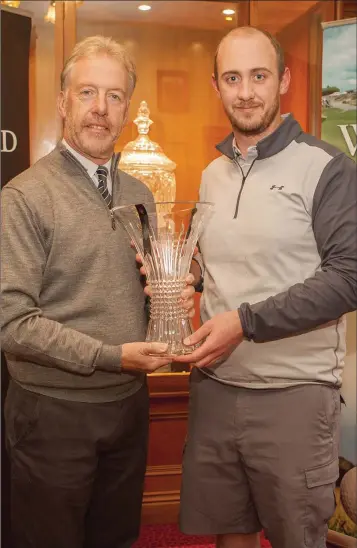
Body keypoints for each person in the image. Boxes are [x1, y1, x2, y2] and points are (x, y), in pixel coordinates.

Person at [1, 35, 194, 548]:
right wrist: (112, 356)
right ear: (63, 101)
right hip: (52, 413)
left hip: (128, 406)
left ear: (127, 109)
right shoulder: (24, 197)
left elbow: (149, 293)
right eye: (87, 93)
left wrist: (172, 296)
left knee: (115, 539)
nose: (100, 109)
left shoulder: (140, 194)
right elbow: (12, 324)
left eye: (114, 96)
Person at [174, 26, 357, 548]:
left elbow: (348, 278)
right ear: (216, 86)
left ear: (284, 80)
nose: (246, 91)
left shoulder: (328, 168)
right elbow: (209, 266)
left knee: (296, 538)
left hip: (293, 396)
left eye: (259, 76)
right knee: (230, 534)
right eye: (232, 78)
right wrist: (178, 275)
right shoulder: (212, 175)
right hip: (216, 388)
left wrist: (244, 323)